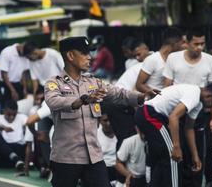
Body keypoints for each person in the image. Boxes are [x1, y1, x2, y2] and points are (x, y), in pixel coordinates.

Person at [45, 36, 149, 187]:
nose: (90, 57)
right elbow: (54, 102)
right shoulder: (54, 83)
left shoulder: (93, 82)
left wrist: (141, 97)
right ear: (70, 56)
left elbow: (119, 94)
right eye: (85, 53)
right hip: (66, 159)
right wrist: (82, 100)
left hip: (93, 157)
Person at [163, 28, 212, 187]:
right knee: (178, 151)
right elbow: (166, 86)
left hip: (199, 111)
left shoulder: (210, 60)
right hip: (177, 112)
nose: (200, 47)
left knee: (199, 153)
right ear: (186, 43)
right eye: (196, 44)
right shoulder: (173, 58)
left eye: (202, 44)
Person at [134, 83, 212, 187]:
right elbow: (173, 117)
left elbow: (189, 128)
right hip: (150, 114)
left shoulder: (198, 103)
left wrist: (195, 156)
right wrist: (176, 147)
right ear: (209, 95)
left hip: (150, 114)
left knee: (163, 159)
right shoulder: (194, 94)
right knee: (174, 157)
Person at [135, 27, 184, 94]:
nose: (184, 46)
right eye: (182, 43)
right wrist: (157, 96)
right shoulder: (153, 59)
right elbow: (139, 85)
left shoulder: (174, 59)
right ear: (175, 43)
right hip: (154, 101)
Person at [0, 100, 33, 173]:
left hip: (18, 148)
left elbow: (29, 123)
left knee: (31, 132)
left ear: (17, 112)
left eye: (14, 115)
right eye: (9, 114)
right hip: (6, 151)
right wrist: (4, 127)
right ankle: (16, 159)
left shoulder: (21, 117)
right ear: (4, 111)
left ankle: (20, 161)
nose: (11, 117)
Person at [0, 41, 31, 113]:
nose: (23, 56)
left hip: (17, 83)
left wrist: (24, 88)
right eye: (23, 54)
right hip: (4, 83)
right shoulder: (7, 52)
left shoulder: (26, 54)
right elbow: (4, 74)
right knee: (3, 107)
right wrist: (13, 91)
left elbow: (23, 73)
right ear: (22, 46)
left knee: (18, 106)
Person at [97, 112, 117, 184]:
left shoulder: (120, 132)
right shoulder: (95, 135)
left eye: (110, 120)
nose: (108, 123)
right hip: (104, 170)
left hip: (120, 169)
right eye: (105, 121)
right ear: (99, 121)